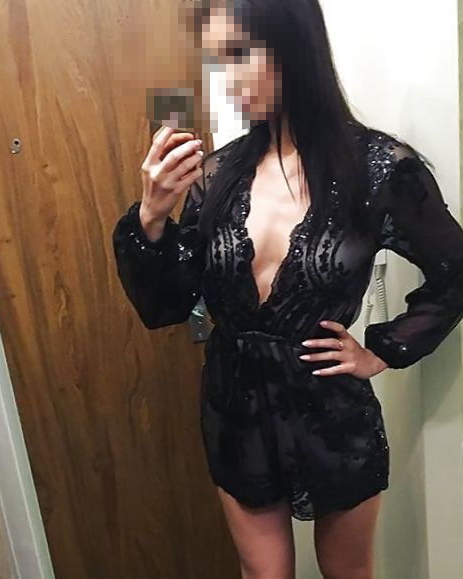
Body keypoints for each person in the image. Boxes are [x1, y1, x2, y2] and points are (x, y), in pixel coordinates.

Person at [112, 1, 463, 577]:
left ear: (293, 45)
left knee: (347, 572)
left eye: (239, 54)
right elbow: (165, 307)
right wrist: (152, 216)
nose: (228, 78)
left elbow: (455, 270)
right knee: (264, 574)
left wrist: (381, 351)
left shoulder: (377, 169)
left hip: (331, 410)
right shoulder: (216, 176)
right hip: (235, 406)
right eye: (217, 60)